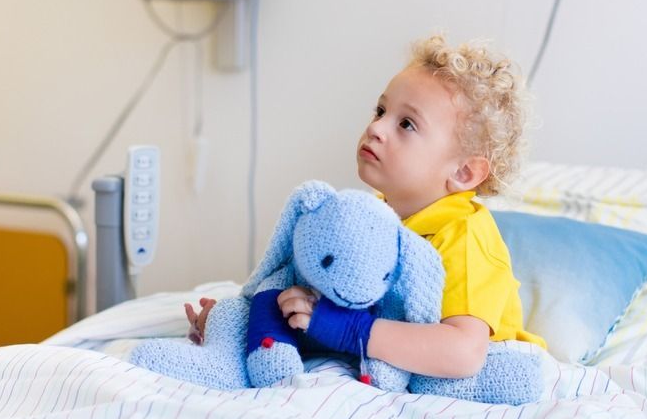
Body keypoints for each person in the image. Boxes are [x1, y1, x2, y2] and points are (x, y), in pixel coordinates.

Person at [187, 34, 545, 379]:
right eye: (381, 110)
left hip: (481, 377)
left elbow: (463, 353)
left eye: (407, 123)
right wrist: (240, 326)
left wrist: (349, 330)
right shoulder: (374, 221)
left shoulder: (464, 237)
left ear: (464, 172)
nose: (376, 128)